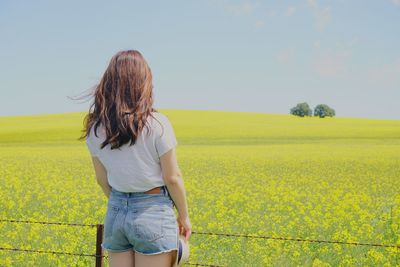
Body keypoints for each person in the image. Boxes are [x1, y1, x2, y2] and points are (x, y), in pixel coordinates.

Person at [81, 49, 192, 267]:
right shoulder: (157, 123)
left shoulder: (96, 128)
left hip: (115, 212)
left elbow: (101, 179)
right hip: (152, 212)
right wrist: (184, 216)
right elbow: (172, 177)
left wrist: (122, 203)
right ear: (143, 82)